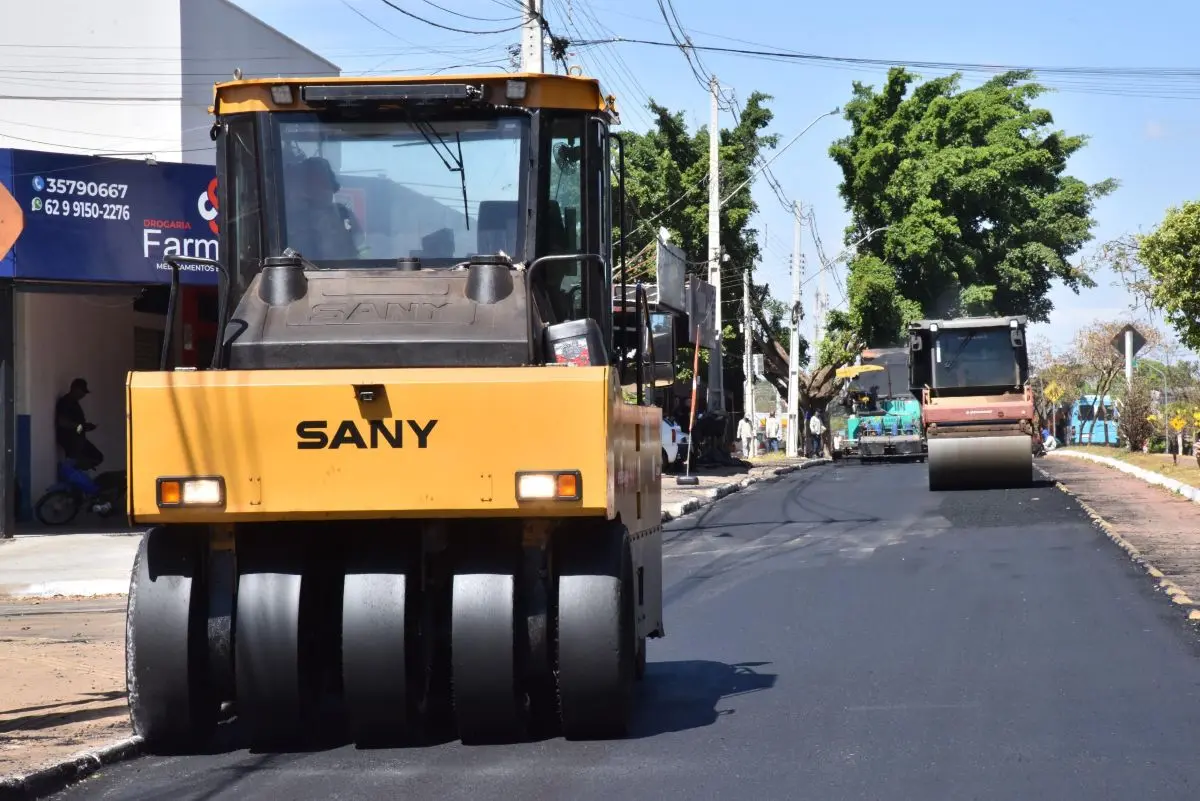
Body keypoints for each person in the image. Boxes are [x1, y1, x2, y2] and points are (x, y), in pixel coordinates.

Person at [292, 156, 367, 260]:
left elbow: (363, 248)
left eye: (325, 182)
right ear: (307, 187)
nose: (323, 189)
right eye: (316, 183)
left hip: (347, 273)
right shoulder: (296, 221)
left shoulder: (344, 214)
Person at [55, 378, 103, 471]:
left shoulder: (75, 403)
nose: (83, 395)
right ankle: (72, 468)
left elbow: (79, 426)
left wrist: (85, 426)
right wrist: (80, 426)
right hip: (71, 440)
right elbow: (62, 422)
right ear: (74, 388)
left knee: (97, 457)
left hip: (79, 438)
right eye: (82, 391)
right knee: (76, 461)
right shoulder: (65, 402)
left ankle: (75, 468)